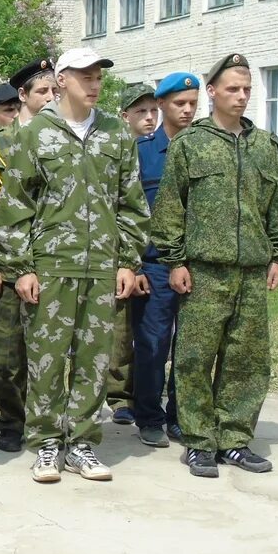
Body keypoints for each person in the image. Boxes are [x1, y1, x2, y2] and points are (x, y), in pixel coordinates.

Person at [0, 47, 150, 483]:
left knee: (93, 360)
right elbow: (15, 205)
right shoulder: (34, 134)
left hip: (102, 268)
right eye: (85, 76)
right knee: (45, 358)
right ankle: (46, 443)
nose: (95, 84)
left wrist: (127, 261)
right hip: (51, 266)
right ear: (62, 80)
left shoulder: (116, 135)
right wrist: (21, 267)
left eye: (99, 76)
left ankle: (81, 442)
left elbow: (132, 204)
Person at [151, 54, 278, 477]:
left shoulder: (265, 147)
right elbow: (170, 210)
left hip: (251, 271)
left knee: (246, 360)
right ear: (211, 92)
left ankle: (234, 439)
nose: (242, 96)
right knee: (194, 359)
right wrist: (175, 260)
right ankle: (198, 441)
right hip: (203, 272)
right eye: (233, 88)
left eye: (247, 88)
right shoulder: (189, 145)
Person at [0, 58, 53, 453]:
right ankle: (11, 418)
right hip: (8, 262)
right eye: (43, 91)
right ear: (23, 96)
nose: (51, 97)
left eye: (55, 90)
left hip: (55, 258)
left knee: (52, 346)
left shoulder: (63, 138)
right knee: (7, 351)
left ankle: (47, 420)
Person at [132, 71, 201, 447]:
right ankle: (149, 416)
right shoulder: (142, 152)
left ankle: (179, 414)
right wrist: (134, 263)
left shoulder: (204, 148)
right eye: (179, 104)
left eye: (192, 104)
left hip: (197, 264)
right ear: (161, 105)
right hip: (155, 264)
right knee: (153, 343)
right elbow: (127, 210)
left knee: (190, 345)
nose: (187, 110)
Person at [103, 83, 159, 425]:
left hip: (155, 256)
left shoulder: (165, 151)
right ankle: (120, 395)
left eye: (154, 111)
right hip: (121, 254)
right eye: (141, 112)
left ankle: (145, 392)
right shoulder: (118, 152)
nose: (149, 118)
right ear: (125, 117)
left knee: (151, 332)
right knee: (120, 332)